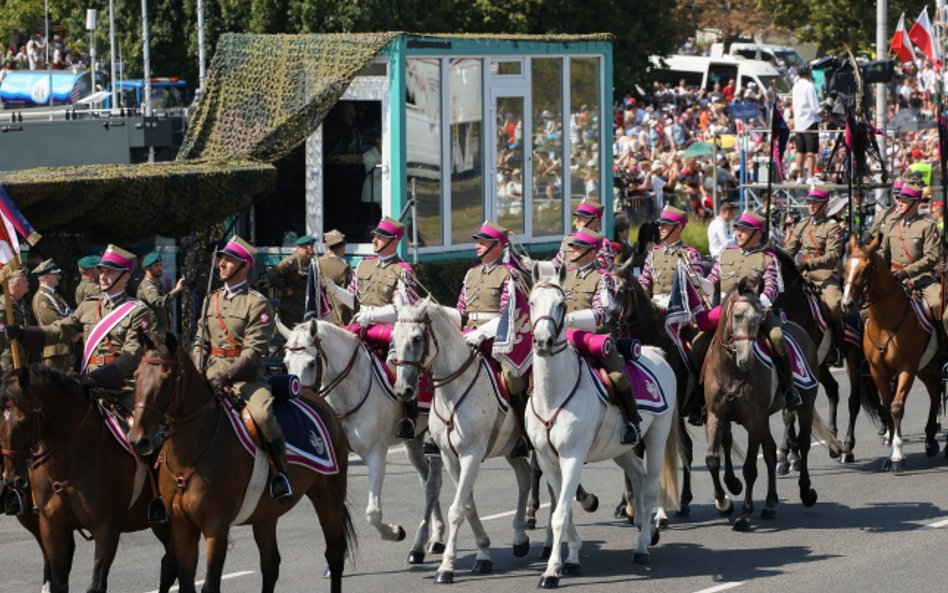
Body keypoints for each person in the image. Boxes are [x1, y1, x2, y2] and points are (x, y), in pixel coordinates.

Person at [192, 236, 292, 502]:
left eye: (229, 260)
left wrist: (225, 375)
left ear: (244, 266)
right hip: (209, 374)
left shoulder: (257, 303)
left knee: (262, 415)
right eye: (221, 259)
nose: (221, 264)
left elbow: (252, 351)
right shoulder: (211, 299)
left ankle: (279, 472)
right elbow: (200, 340)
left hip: (245, 379)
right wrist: (197, 365)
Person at [11, 246, 155, 412]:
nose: (103, 277)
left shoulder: (138, 311)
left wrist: (95, 378)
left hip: (121, 387)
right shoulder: (89, 305)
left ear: (126, 277)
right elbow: (60, 329)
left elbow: (132, 354)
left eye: (110, 272)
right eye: (101, 272)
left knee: (134, 427)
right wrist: (23, 332)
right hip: (88, 384)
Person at [324, 216, 420, 438]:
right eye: (374, 236)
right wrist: (336, 291)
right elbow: (353, 298)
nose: (374, 240)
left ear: (394, 241)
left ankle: (407, 415)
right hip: (361, 323)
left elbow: (402, 309)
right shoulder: (363, 265)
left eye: (380, 237)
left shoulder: (403, 270)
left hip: (388, 328)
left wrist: (372, 315)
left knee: (401, 365)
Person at [700, 212, 802, 409]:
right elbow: (712, 282)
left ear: (757, 234)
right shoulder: (725, 253)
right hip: (725, 313)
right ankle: (700, 397)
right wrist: (697, 281)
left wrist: (759, 303)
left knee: (777, 337)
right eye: (737, 229)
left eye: (744, 230)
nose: (738, 233)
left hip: (756, 312)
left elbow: (772, 287)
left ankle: (789, 388)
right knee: (698, 341)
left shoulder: (768, 258)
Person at [458, 222, 531, 458]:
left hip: (495, 337)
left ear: (497, 246)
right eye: (478, 242)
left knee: (511, 378)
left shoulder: (509, 275)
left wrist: (481, 333)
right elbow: (461, 309)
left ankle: (523, 433)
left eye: (482, 242)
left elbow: (507, 314)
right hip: (468, 334)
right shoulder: (471, 273)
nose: (477, 246)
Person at [561, 229, 641, 444]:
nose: (572, 250)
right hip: (564, 337)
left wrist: (569, 319)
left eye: (578, 247)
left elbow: (602, 313)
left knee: (617, 377)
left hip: (595, 338)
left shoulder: (603, 278)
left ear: (590, 252)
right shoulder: (565, 275)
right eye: (573, 246)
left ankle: (632, 421)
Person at [783, 187, 845, 366]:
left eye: (815, 202)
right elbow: (789, 249)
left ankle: (836, 347)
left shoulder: (832, 227)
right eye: (809, 202)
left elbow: (833, 256)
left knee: (834, 304)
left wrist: (809, 263)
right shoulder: (802, 225)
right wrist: (777, 257)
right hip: (801, 274)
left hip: (824, 274)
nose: (811, 206)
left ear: (825, 205)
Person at [881, 182, 943, 330]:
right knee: (866, 308)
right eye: (899, 200)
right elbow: (883, 252)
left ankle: (941, 340)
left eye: (905, 201)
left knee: (937, 304)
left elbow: (932, 256)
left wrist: (907, 271)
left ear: (915, 203)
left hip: (922, 278)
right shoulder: (891, 224)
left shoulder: (927, 226)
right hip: (893, 277)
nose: (900, 203)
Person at [638, 206, 705, 310]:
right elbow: (644, 281)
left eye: (664, 225)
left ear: (678, 227)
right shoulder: (653, 253)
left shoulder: (691, 254)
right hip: (654, 308)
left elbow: (695, 288)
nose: (660, 228)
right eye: (660, 224)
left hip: (680, 308)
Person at [30, 259, 74, 371]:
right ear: (46, 277)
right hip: (54, 348)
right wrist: (74, 329)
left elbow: (67, 313)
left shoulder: (54, 295)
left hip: (63, 347)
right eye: (55, 274)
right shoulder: (42, 297)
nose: (59, 277)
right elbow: (51, 321)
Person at [551, 198, 616, 270]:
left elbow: (601, 270)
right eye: (577, 216)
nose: (577, 220)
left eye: (582, 217)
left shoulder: (603, 243)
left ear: (595, 221)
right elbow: (556, 264)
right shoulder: (569, 239)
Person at [268, 235, 316, 327]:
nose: (310, 251)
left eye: (311, 248)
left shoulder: (312, 261)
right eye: (306, 249)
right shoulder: (291, 261)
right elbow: (273, 274)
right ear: (298, 248)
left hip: (305, 306)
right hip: (291, 307)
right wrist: (286, 289)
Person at [136, 252, 186, 338]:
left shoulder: (156, 282)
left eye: (160, 265)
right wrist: (176, 290)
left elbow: (163, 301)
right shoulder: (147, 286)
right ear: (147, 268)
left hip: (160, 329)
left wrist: (168, 315)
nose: (160, 268)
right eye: (156, 266)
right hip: (152, 331)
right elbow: (158, 302)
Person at [0, 268, 33, 372]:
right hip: (9, 357)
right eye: (25, 281)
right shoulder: (3, 304)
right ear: (17, 284)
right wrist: (7, 329)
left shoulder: (21, 303)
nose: (28, 283)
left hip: (23, 355)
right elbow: (0, 327)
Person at [792, 64, 821, 182]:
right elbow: (815, 107)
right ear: (808, 73)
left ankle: (800, 177)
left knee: (800, 151)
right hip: (809, 121)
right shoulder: (810, 86)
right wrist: (826, 116)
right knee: (811, 151)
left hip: (798, 122)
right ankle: (811, 176)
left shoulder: (795, 86)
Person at [318, 230, 352, 326]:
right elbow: (347, 295)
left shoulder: (317, 262)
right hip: (336, 314)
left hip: (318, 310)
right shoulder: (343, 267)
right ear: (341, 247)